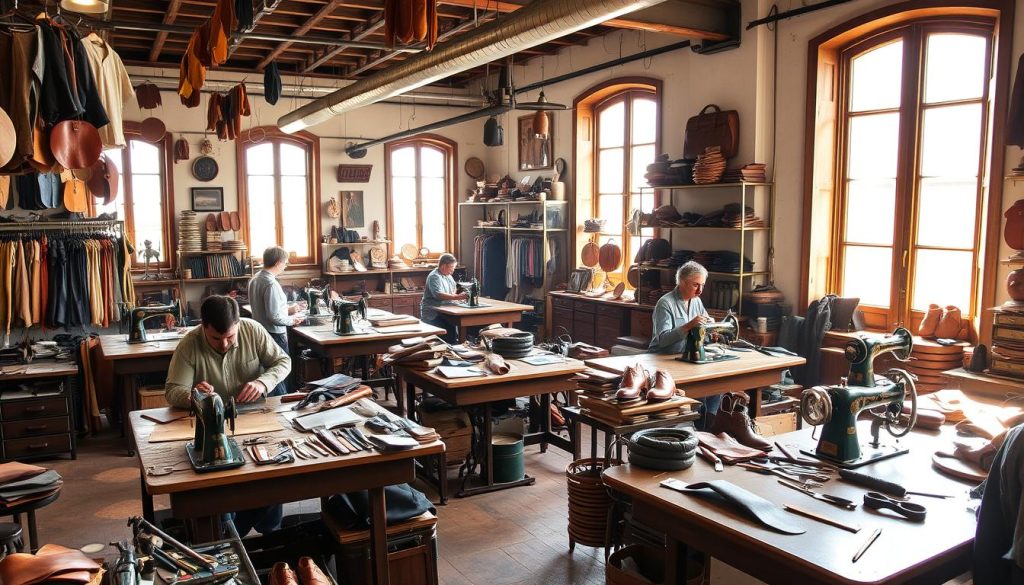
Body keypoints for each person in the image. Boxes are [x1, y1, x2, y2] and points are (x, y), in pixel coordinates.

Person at [164, 295, 291, 537]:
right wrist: (194, 396)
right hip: (214, 426)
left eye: (230, 337)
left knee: (271, 476)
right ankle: (230, 534)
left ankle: (270, 535)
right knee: (221, 485)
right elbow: (172, 391)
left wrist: (263, 382)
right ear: (203, 327)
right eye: (216, 338)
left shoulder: (253, 330)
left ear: (239, 325)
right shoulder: (190, 344)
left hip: (255, 415)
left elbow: (282, 361)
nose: (224, 345)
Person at [648, 261, 720, 429]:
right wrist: (689, 325)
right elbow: (663, 340)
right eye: (696, 285)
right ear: (682, 282)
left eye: (702, 285)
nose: (700, 290)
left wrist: (712, 332)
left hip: (684, 358)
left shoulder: (696, 302)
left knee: (717, 386)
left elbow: (704, 328)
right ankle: (697, 431)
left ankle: (706, 431)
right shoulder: (665, 303)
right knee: (701, 390)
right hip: (662, 360)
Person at [248, 246, 305, 396]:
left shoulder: (255, 279)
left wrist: (290, 309)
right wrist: (292, 320)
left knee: (270, 373)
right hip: (274, 335)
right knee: (279, 372)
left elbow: (265, 309)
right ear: (279, 262)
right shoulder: (271, 284)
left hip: (262, 333)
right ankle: (281, 403)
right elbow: (274, 317)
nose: (285, 266)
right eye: (285, 263)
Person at [420, 253, 466, 342]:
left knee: (453, 331)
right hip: (433, 313)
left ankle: (455, 347)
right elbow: (438, 294)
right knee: (444, 335)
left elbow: (453, 288)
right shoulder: (434, 276)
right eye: (451, 267)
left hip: (446, 310)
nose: (453, 270)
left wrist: (456, 296)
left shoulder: (448, 275)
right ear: (444, 266)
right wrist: (456, 297)